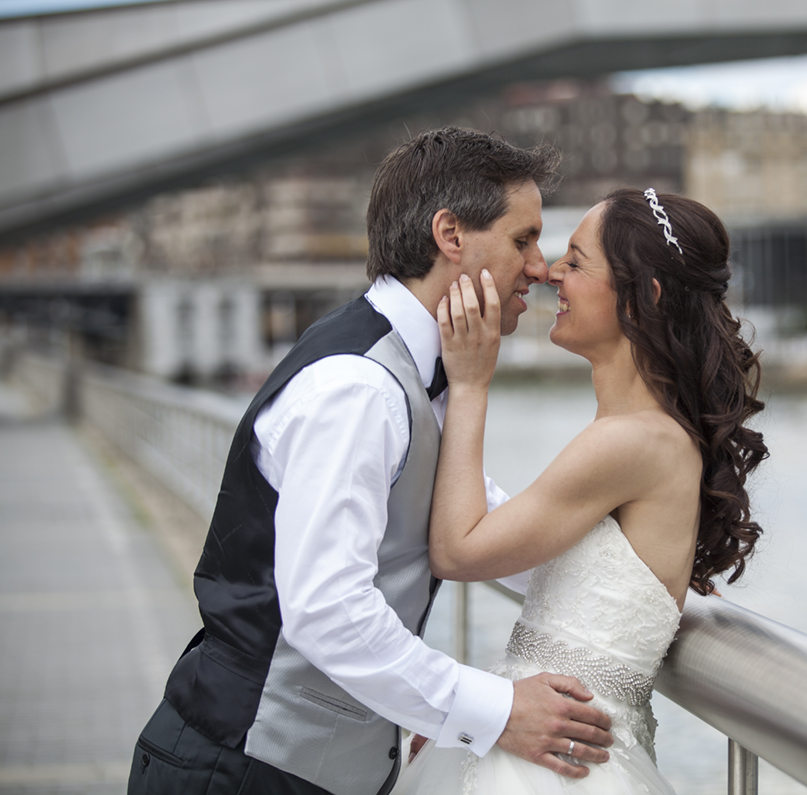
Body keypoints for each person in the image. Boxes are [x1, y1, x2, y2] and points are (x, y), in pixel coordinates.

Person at [126, 127, 615, 795]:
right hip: (244, 768)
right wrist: (494, 712)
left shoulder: (408, 367)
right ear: (451, 235)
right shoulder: (359, 388)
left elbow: (476, 520)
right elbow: (327, 609)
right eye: (522, 239)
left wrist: (630, 572)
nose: (539, 265)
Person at [392, 188, 768, 794]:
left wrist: (470, 383)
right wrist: (465, 717)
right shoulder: (637, 436)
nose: (549, 276)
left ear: (645, 296)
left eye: (575, 260)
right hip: (545, 741)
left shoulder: (632, 443)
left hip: (556, 766)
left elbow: (458, 551)